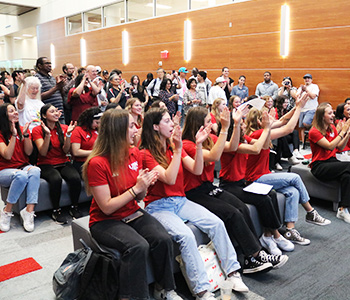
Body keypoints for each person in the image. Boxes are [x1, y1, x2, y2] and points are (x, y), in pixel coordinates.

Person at [140, 108, 249, 300]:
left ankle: (232, 273)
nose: (173, 125)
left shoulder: (173, 148)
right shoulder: (146, 153)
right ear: (155, 127)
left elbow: (197, 169)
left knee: (216, 223)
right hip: (158, 205)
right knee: (185, 235)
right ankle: (202, 291)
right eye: (167, 121)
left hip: (180, 201)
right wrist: (178, 149)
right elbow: (169, 178)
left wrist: (198, 145)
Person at [82, 109, 180, 300]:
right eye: (131, 126)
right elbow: (107, 207)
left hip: (132, 212)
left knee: (163, 239)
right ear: (117, 131)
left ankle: (165, 289)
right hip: (106, 221)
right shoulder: (97, 163)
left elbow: (139, 197)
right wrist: (136, 189)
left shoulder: (134, 153)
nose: (136, 130)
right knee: (138, 246)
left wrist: (143, 187)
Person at [182, 106, 287, 273]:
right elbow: (214, 156)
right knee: (232, 213)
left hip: (209, 187)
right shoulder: (188, 144)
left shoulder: (210, 138)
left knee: (242, 208)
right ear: (198, 125)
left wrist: (236, 123)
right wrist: (225, 127)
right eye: (208, 122)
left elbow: (231, 146)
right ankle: (252, 256)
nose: (211, 124)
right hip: (194, 193)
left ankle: (256, 254)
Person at [245, 98, 332, 244]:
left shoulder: (261, 131)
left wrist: (298, 107)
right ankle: (311, 212)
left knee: (293, 191)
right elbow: (288, 129)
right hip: (255, 179)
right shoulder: (258, 134)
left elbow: (284, 120)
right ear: (260, 122)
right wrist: (298, 108)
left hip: (264, 175)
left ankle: (290, 231)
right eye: (268, 118)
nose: (272, 119)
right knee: (295, 178)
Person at [32, 104, 82, 223]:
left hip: (63, 161)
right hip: (45, 163)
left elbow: (66, 150)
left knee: (75, 178)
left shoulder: (64, 128)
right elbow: (43, 153)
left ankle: (74, 207)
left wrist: (69, 135)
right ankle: (56, 210)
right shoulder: (37, 130)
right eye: (52, 111)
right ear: (44, 115)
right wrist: (48, 135)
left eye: (56, 111)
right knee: (56, 179)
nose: (56, 113)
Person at [0, 104, 40, 232]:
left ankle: (29, 211)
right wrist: (13, 135)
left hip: (22, 166)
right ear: (4, 116)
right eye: (11, 111)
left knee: (35, 170)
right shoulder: (1, 133)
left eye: (15, 110)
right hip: (4, 170)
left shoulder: (22, 129)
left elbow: (28, 153)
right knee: (21, 175)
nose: (16, 112)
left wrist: (26, 135)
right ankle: (7, 211)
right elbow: (7, 155)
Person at [71, 107, 101, 176]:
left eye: (99, 123)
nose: (97, 125)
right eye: (96, 122)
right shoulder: (78, 130)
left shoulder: (96, 130)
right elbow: (76, 152)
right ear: (90, 120)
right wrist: (96, 152)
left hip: (96, 161)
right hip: (82, 163)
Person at [35, 57, 66, 123]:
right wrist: (56, 87)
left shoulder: (52, 78)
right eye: (47, 63)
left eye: (50, 63)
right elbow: (39, 96)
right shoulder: (36, 78)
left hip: (59, 113)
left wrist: (61, 86)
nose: (50, 65)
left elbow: (61, 94)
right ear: (40, 66)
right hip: (48, 116)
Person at [296, 73, 319, 144]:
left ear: (311, 80)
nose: (307, 80)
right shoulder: (300, 88)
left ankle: (316, 129)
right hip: (302, 109)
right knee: (302, 127)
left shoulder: (314, 86)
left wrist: (306, 90)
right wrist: (301, 91)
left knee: (305, 123)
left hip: (311, 109)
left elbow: (313, 96)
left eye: (308, 78)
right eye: (305, 78)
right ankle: (303, 143)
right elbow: (297, 97)